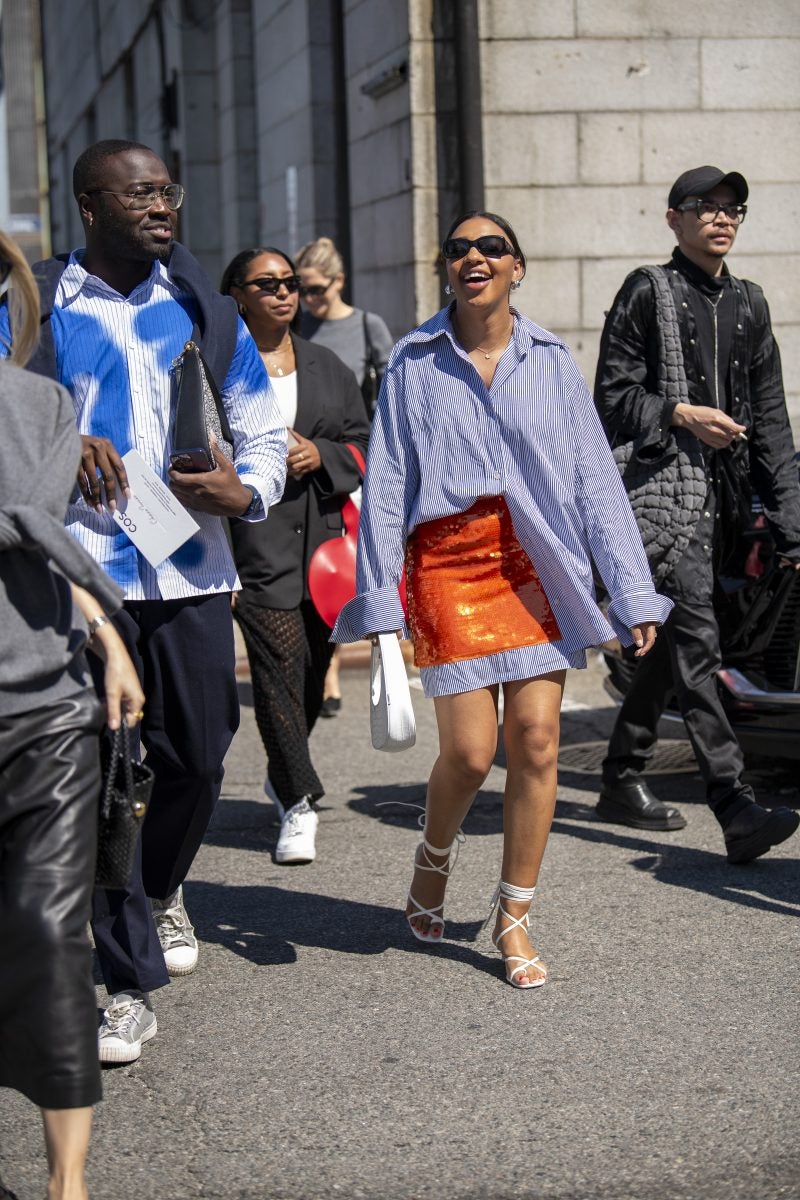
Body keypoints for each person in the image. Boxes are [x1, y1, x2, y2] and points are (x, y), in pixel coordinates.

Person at [331, 211, 672, 989]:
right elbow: (386, 485)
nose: (474, 258)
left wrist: (631, 592)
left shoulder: (551, 360)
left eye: (491, 247)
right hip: (448, 563)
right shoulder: (415, 361)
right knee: (471, 752)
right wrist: (381, 598)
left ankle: (514, 915)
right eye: (459, 249)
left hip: (536, 562)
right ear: (447, 269)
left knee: (539, 740)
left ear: (518, 266)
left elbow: (592, 479)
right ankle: (435, 853)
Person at [0, 139, 286, 1064]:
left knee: (198, 760)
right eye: (140, 194)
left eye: (168, 190)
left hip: (190, 569)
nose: (163, 206)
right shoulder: (32, 309)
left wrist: (250, 494)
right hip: (82, 578)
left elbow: (259, 421)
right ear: (90, 206)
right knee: (105, 775)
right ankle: (126, 980)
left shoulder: (202, 308)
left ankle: (159, 890)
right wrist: (61, 438)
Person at [593, 164, 800, 864]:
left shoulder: (750, 303)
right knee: (699, 641)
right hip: (664, 499)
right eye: (703, 206)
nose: (720, 217)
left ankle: (622, 771)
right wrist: (678, 413)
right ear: (673, 218)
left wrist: (791, 523)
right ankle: (733, 804)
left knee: (681, 640)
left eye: (732, 208)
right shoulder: (646, 293)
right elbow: (611, 398)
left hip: (731, 503)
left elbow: (770, 420)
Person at [0, 230, 145, 1200]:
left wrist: (101, 626)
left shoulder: (44, 404)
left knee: (52, 937)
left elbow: (30, 523)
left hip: (44, 706)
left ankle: (68, 1187)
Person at [220, 246, 370, 865]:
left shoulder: (327, 364)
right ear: (238, 297)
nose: (283, 293)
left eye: (289, 283)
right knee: (279, 668)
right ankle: (300, 801)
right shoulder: (214, 368)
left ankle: (283, 774)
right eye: (267, 284)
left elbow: (364, 442)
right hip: (253, 544)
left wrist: (323, 456)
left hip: (325, 549)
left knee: (311, 674)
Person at [295, 236, 394, 717]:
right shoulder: (296, 326)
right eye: (301, 289)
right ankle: (327, 671)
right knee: (316, 561)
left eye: (314, 289)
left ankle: (334, 652)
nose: (306, 298)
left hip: (355, 459)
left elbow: (392, 390)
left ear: (338, 281)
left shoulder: (366, 326)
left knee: (348, 563)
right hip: (303, 456)